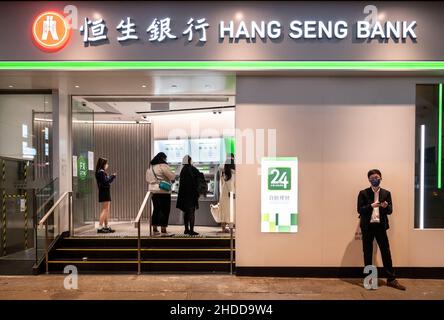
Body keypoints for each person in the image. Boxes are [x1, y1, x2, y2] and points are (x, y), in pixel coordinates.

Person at [357, 169, 406, 290]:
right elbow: (360, 210)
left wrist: (385, 206)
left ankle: (391, 279)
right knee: (367, 253)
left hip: (380, 227)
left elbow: (390, 210)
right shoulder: (363, 193)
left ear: (381, 178)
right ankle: (369, 280)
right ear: (369, 179)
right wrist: (371, 206)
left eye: (377, 177)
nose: (375, 179)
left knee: (386, 252)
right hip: (367, 227)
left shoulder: (386, 193)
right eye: (372, 178)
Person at [146, 152, 175, 236]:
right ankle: (163, 230)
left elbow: (147, 179)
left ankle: (154, 229)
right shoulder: (163, 166)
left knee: (156, 209)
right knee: (165, 210)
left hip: (153, 191)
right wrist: (173, 175)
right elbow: (172, 176)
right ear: (163, 158)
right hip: (163, 191)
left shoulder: (150, 168)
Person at [176, 155, 200, 236]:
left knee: (186, 212)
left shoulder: (183, 170)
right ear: (189, 160)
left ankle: (186, 229)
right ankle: (192, 230)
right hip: (191, 194)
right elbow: (200, 176)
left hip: (183, 195)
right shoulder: (192, 168)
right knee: (191, 212)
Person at [95, 157, 116, 234]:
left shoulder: (101, 172)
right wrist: (112, 176)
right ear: (103, 164)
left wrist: (110, 177)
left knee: (106, 210)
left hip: (104, 192)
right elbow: (106, 182)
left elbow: (105, 181)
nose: (107, 165)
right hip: (104, 192)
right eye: (106, 163)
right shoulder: (101, 172)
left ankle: (106, 226)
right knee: (105, 210)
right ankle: (100, 227)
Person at [219, 154, 236, 233]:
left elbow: (221, 183)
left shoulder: (223, 171)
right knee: (231, 209)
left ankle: (223, 228)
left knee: (224, 209)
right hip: (232, 192)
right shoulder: (235, 172)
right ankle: (231, 227)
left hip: (224, 192)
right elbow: (235, 183)